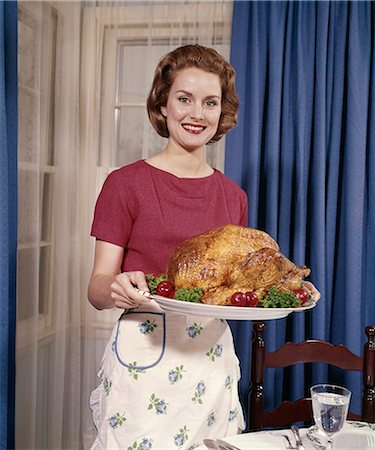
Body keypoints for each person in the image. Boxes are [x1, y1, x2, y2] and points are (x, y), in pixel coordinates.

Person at [87, 44, 319, 450]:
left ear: (221, 113)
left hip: (211, 360)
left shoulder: (233, 196)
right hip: (145, 356)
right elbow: (96, 288)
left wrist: (285, 289)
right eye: (184, 99)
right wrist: (116, 287)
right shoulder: (124, 184)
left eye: (210, 102)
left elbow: (238, 291)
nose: (197, 113)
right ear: (162, 105)